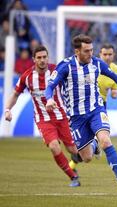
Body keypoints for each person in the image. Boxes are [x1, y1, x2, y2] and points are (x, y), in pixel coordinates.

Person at [45, 34, 117, 194]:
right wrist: (49, 99)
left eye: (91, 50)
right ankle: (94, 145)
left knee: (106, 141)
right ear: (77, 51)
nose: (91, 53)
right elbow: (50, 86)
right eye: (86, 51)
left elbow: (116, 77)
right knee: (87, 157)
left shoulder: (97, 63)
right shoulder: (65, 66)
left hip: (96, 110)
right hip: (76, 118)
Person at [4, 45, 80, 187]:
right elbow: (15, 94)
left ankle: (81, 154)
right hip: (43, 119)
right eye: (39, 58)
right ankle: (73, 176)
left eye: (44, 57)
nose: (42, 60)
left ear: (48, 57)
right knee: (53, 146)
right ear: (34, 59)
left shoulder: (56, 71)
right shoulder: (27, 77)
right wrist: (7, 109)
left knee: (74, 150)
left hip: (61, 116)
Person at [97, 43, 117, 108]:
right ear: (100, 55)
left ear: (114, 55)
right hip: (88, 102)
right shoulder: (93, 66)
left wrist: (114, 93)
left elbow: (114, 89)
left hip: (102, 102)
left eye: (110, 54)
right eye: (105, 54)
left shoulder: (116, 69)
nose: (107, 57)